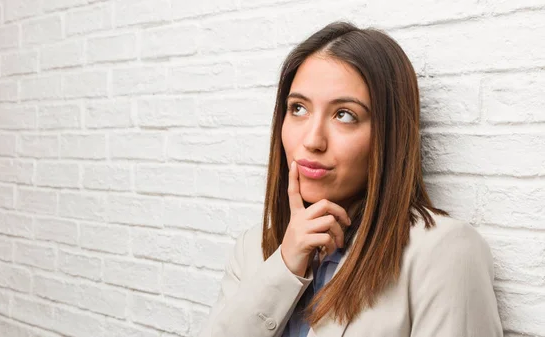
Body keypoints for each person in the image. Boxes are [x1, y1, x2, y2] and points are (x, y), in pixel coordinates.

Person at [197, 21, 503, 337]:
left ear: (388, 135)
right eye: (298, 108)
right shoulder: (254, 248)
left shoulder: (444, 252)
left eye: (344, 114)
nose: (313, 140)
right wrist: (285, 266)